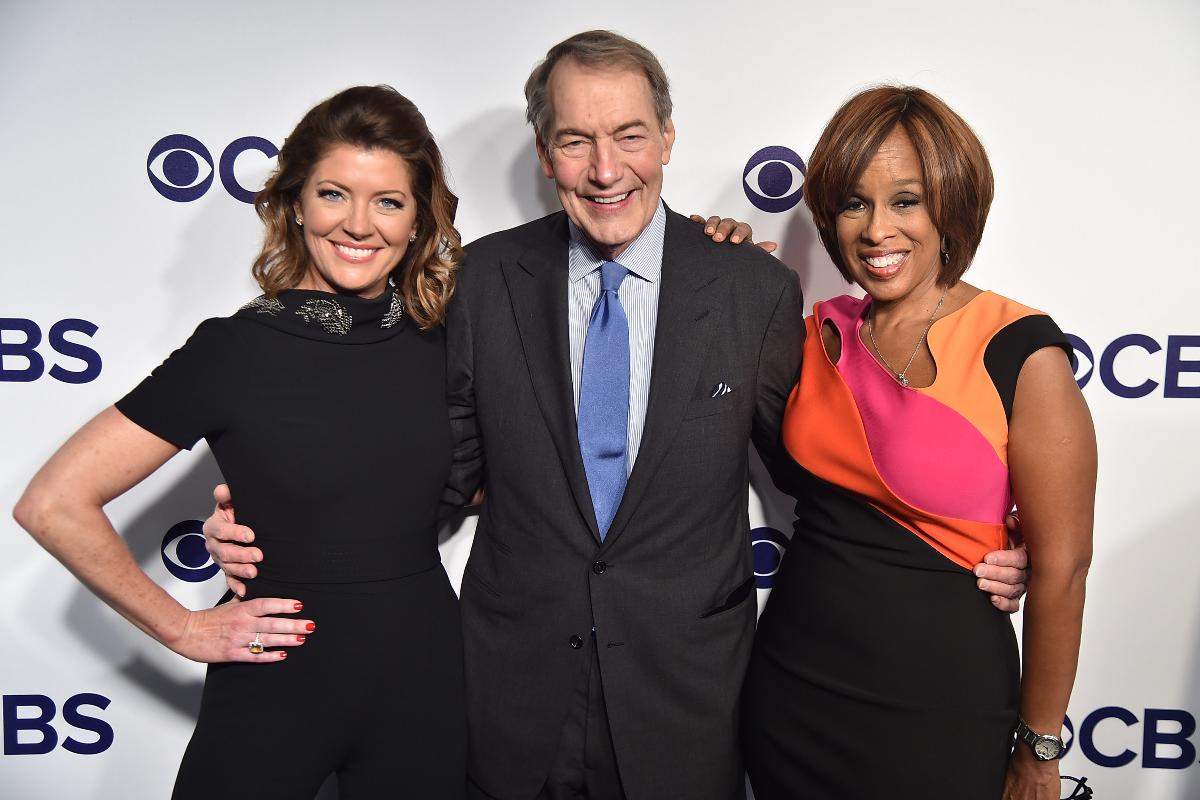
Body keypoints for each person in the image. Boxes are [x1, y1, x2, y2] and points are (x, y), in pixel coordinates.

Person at [204, 32, 1032, 800]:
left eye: (630, 135)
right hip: (511, 702)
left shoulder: (751, 291)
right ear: (544, 153)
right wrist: (280, 514)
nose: (606, 170)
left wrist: (982, 538)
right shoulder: (480, 283)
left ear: (667, 137)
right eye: (576, 141)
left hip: (686, 706)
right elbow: (434, 476)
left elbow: (822, 472)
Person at [13, 85, 469, 798]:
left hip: (427, 686)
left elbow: (495, 477)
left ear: (418, 220)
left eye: (388, 201)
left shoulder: (447, 340)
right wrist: (184, 628)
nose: (358, 224)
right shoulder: (234, 350)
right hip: (275, 684)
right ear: (296, 203)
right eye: (333, 194)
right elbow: (53, 503)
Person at [739, 86, 1096, 800]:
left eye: (906, 201)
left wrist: (1039, 751)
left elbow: (1062, 571)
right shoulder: (814, 333)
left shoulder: (1020, 350)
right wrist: (710, 249)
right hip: (794, 693)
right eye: (854, 203)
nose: (877, 231)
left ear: (951, 206)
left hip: (944, 706)